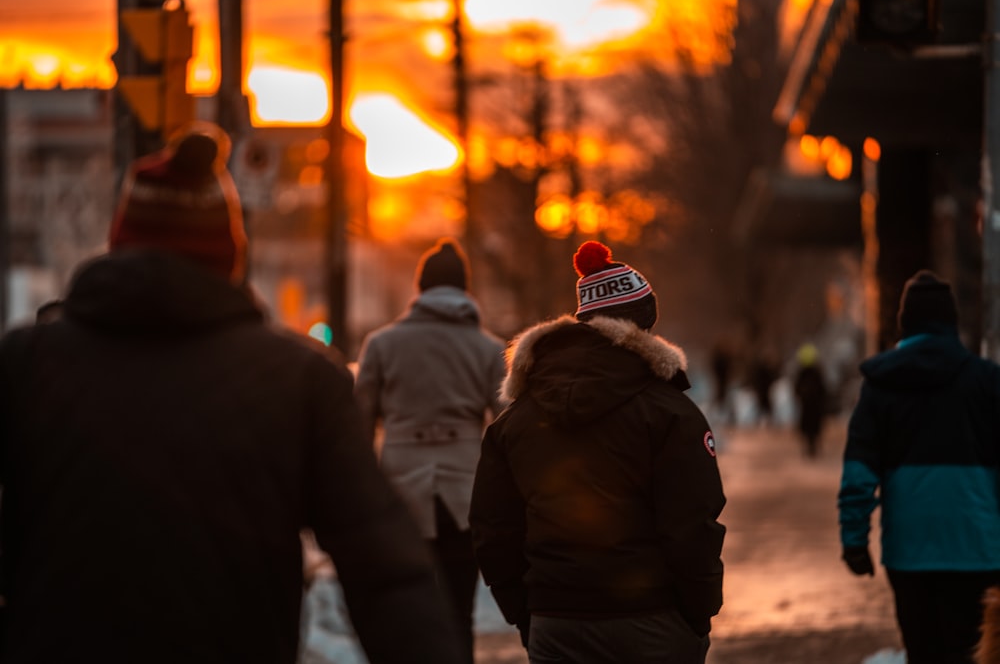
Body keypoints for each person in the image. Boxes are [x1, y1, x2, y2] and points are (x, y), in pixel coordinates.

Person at [0, 123, 463, 664]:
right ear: (230, 253)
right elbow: (385, 571)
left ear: (120, 242)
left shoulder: (26, 364)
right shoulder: (299, 380)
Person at [469, 240, 726, 664]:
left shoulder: (515, 421)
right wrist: (698, 614)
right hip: (652, 617)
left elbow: (492, 528)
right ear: (643, 325)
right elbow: (692, 523)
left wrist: (525, 612)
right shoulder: (668, 412)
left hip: (556, 620)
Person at [354, 237, 507, 664]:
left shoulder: (381, 344)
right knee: (458, 607)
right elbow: (509, 426)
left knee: (408, 605)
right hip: (465, 493)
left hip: (400, 494)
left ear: (419, 289)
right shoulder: (489, 348)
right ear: (465, 289)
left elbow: (359, 425)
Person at [838, 270, 1000, 664]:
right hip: (976, 549)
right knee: (971, 652)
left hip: (910, 552)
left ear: (904, 323)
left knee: (923, 651)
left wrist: (854, 539)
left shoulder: (880, 385)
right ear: (951, 323)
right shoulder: (987, 382)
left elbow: (859, 472)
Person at [793, 342, 827, 458]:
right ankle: (811, 446)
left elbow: (796, 388)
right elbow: (823, 388)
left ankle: (811, 447)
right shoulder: (814, 372)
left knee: (810, 427)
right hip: (811, 405)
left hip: (809, 405)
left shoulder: (804, 373)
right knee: (812, 427)